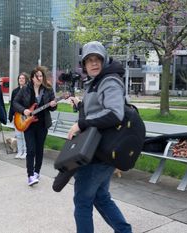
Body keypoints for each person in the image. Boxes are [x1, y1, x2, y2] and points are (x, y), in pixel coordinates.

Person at [67, 41, 132, 233]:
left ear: (104, 60)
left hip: (98, 153)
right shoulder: (96, 82)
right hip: (99, 150)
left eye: (97, 59)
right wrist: (81, 105)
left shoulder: (109, 81)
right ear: (85, 64)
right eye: (89, 60)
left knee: (82, 201)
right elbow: (98, 110)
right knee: (101, 197)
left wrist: (81, 123)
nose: (94, 63)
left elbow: (114, 113)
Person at [13, 66, 57, 186]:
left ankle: (37, 172)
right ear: (32, 78)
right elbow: (15, 103)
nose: (39, 78)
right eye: (37, 76)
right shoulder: (25, 89)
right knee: (31, 149)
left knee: (39, 150)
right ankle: (30, 175)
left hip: (42, 124)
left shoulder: (48, 89)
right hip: (29, 124)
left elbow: (53, 108)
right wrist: (24, 110)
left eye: (41, 76)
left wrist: (53, 105)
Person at [8, 72, 29, 159]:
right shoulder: (15, 91)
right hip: (16, 116)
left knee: (24, 135)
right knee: (18, 135)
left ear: (26, 80)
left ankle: (25, 151)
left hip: (25, 116)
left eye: (23, 78)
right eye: (20, 78)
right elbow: (12, 104)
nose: (21, 80)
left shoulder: (28, 91)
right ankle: (19, 151)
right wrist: (11, 115)